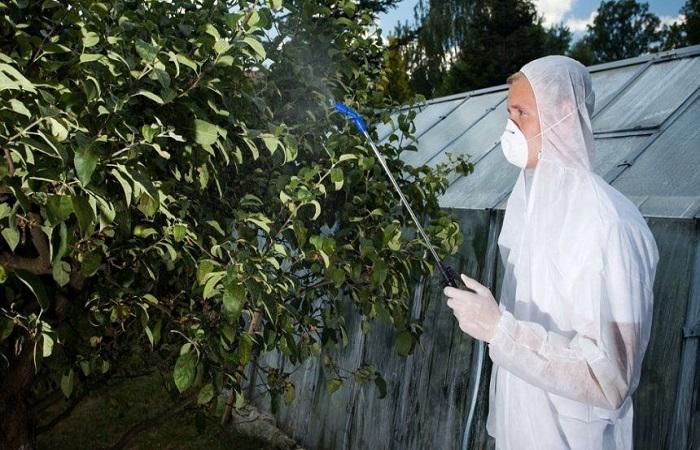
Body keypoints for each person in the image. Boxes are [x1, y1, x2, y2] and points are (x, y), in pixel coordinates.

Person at [443, 55, 659, 449]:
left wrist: (500, 330)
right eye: (509, 113)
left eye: (521, 113)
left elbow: (611, 377)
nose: (510, 128)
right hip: (521, 431)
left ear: (563, 114)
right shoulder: (529, 205)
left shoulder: (610, 225)